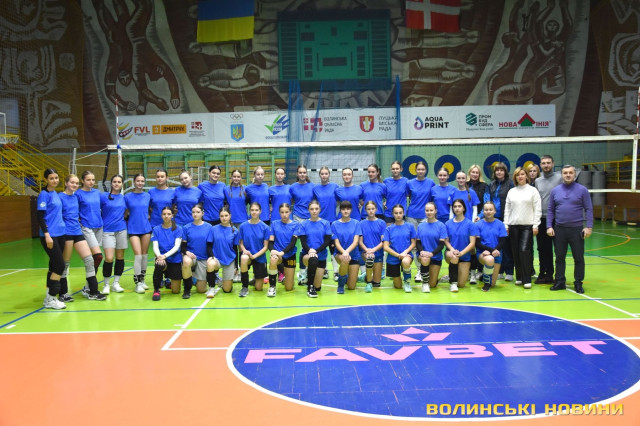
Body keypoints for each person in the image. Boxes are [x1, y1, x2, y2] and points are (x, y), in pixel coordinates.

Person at [547, 165, 593, 294]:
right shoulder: (555, 191)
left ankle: (578, 283)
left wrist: (589, 227)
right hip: (559, 229)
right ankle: (560, 281)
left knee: (578, 258)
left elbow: (589, 208)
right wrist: (549, 226)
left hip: (576, 230)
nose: (568, 175)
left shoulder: (582, 190)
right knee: (559, 258)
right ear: (562, 175)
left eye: (570, 173)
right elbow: (550, 210)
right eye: (565, 173)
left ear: (574, 174)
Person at [59, 174, 106, 301]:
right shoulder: (60, 197)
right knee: (65, 263)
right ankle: (63, 293)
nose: (74, 185)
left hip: (77, 231)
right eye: (72, 182)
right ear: (66, 183)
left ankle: (93, 292)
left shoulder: (75, 197)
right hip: (67, 233)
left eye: (76, 183)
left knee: (90, 260)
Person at [503, 167, 541, 289]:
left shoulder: (533, 191)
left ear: (526, 176)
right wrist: (506, 224)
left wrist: (535, 225)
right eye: (518, 175)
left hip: (527, 226)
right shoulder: (511, 191)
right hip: (513, 226)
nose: (520, 176)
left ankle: (527, 278)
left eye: (522, 174)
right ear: (515, 177)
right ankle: (519, 277)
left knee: (524, 250)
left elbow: (537, 209)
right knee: (515, 252)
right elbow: (507, 210)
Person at [37, 169, 68, 309]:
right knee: (60, 266)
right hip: (50, 235)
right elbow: (40, 217)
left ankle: (48, 297)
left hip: (61, 233)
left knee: (54, 265)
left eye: (56, 178)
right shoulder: (44, 194)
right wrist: (47, 234)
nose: (55, 180)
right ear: (45, 180)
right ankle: (51, 298)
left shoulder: (55, 193)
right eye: (51, 178)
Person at [534, 155, 562, 284]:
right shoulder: (537, 181)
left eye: (548, 163)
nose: (546, 165)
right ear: (540, 165)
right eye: (543, 163)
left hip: (557, 219)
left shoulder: (560, 178)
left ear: (553, 164)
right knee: (543, 249)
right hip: (542, 219)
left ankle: (559, 276)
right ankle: (545, 273)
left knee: (558, 249)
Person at [75, 170, 104, 294]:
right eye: (88, 180)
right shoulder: (78, 194)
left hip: (99, 226)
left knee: (94, 258)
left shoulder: (97, 192)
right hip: (86, 227)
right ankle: (90, 286)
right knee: (98, 256)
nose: (91, 182)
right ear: (82, 181)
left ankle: (88, 286)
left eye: (93, 180)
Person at [485, 162, 515, 281]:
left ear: (505, 172)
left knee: (507, 246)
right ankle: (500, 271)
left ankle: (509, 271)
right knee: (497, 245)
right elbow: (487, 201)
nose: (499, 172)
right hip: (493, 219)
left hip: (505, 218)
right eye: (497, 170)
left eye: (501, 170)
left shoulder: (510, 184)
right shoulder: (491, 184)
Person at [406, 161, 435, 283]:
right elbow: (407, 197)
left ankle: (425, 268)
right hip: (412, 215)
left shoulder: (431, 182)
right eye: (419, 169)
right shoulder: (410, 183)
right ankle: (419, 270)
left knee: (423, 243)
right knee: (414, 244)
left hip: (425, 216)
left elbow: (433, 199)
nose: (421, 171)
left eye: (423, 169)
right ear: (415, 170)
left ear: (426, 170)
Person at [181, 204, 216, 298]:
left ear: (202, 213)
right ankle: (187, 289)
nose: (195, 214)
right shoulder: (186, 227)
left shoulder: (209, 227)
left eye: (198, 212)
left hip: (203, 259)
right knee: (186, 261)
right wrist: (186, 252)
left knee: (201, 290)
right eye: (193, 212)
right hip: (191, 257)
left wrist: (211, 257)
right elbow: (183, 246)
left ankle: (194, 278)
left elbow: (210, 245)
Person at [298, 200, 332, 298]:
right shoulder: (304, 224)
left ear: (319, 209)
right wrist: (310, 251)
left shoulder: (325, 223)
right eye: (312, 209)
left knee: (318, 287)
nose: (314, 211)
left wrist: (316, 251)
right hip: (307, 255)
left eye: (316, 209)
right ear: (308, 210)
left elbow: (327, 242)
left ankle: (310, 279)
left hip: (321, 256)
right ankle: (310, 287)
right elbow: (303, 242)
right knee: (313, 259)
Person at [335, 167, 364, 281]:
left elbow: (362, 201)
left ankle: (362, 271)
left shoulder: (359, 189)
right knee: (341, 245)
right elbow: (337, 203)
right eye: (344, 174)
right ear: (342, 176)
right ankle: (338, 272)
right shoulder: (338, 190)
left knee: (357, 245)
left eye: (349, 174)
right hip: (342, 221)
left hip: (356, 220)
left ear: (352, 176)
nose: (347, 176)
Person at [101, 174, 128, 293]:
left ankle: (116, 283)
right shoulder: (103, 196)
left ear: (122, 184)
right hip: (107, 231)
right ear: (111, 183)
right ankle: (106, 284)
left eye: (119, 182)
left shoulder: (124, 198)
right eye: (114, 181)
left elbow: (127, 212)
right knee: (109, 258)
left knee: (120, 257)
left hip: (121, 230)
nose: (117, 184)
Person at [125, 173, 152, 291]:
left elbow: (150, 209)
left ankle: (143, 279)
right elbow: (124, 212)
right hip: (133, 228)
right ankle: (138, 283)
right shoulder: (127, 197)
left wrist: (148, 215)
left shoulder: (147, 196)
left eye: (142, 181)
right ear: (134, 182)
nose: (140, 183)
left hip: (146, 228)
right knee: (138, 255)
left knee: (145, 255)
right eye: (138, 181)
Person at [149, 168, 175, 289]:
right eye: (158, 176)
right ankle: (159, 277)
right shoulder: (151, 192)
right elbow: (149, 207)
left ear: (167, 178)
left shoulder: (172, 192)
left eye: (162, 176)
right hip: (155, 224)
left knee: (169, 248)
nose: (160, 179)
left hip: (169, 226)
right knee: (158, 250)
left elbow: (174, 207)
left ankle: (168, 277)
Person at [444, 199, 478, 292]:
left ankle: (451, 276)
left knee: (462, 284)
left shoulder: (470, 224)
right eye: (455, 207)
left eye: (459, 206)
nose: (457, 208)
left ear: (464, 208)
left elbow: (472, 243)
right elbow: (446, 241)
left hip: (464, 255)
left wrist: (461, 253)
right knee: (454, 257)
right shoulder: (448, 224)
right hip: (451, 253)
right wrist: (452, 250)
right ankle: (453, 283)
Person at [150, 207, 183, 301]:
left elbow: (177, 246)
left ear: (172, 215)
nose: (166, 216)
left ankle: (168, 282)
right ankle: (156, 290)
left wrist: (164, 256)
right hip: (162, 259)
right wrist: (159, 257)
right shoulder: (156, 229)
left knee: (176, 291)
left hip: (174, 259)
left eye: (168, 214)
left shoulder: (178, 229)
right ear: (161, 215)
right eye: (164, 214)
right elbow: (155, 246)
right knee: (159, 264)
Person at [290, 165, 315, 285]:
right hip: (298, 218)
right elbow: (289, 201)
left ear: (306, 173)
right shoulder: (293, 187)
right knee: (301, 246)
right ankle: (301, 272)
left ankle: (311, 269)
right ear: (297, 174)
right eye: (300, 172)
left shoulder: (312, 186)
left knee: (309, 244)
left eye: (304, 172)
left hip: (310, 218)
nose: (302, 174)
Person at [238, 203, 270, 297]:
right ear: (249, 211)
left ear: (260, 211)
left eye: (256, 210)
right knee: (243, 258)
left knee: (259, 288)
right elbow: (241, 244)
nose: (254, 212)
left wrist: (254, 256)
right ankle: (244, 287)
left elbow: (266, 247)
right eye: (252, 210)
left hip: (259, 257)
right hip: (247, 255)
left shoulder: (265, 227)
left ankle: (255, 279)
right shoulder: (243, 226)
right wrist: (245, 251)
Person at [383, 205, 416, 293]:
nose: (398, 215)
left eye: (400, 213)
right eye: (396, 213)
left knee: (405, 262)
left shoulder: (410, 226)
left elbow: (413, 243)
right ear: (392, 214)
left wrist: (405, 252)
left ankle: (407, 282)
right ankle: (397, 280)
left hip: (406, 255)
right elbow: (385, 247)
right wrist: (398, 255)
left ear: (403, 213)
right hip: (393, 257)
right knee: (398, 286)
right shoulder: (389, 229)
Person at [475, 201, 507, 292]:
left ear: (494, 211)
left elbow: (503, 241)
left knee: (493, 284)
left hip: (497, 253)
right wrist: (490, 251)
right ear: (483, 211)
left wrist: (495, 251)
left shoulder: (500, 224)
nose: (488, 211)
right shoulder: (478, 224)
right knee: (489, 259)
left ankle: (484, 276)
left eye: (490, 209)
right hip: (483, 253)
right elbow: (477, 243)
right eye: (486, 210)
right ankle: (486, 284)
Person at [268, 203, 299, 295]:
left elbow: (293, 243)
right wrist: (272, 250)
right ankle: (272, 287)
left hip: (290, 254)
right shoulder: (274, 224)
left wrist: (282, 252)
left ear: (290, 212)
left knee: (289, 288)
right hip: (278, 254)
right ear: (279, 213)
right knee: (273, 259)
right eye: (282, 212)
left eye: (286, 212)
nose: (284, 214)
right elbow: (271, 242)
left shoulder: (295, 224)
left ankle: (287, 278)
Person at [416, 202, 447, 293]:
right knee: (425, 259)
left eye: (431, 210)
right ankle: (425, 283)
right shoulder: (421, 226)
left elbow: (441, 244)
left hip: (435, 256)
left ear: (435, 211)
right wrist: (421, 251)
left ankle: (436, 278)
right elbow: (418, 242)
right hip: (423, 255)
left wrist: (432, 253)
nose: (429, 212)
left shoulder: (441, 226)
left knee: (432, 284)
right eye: (427, 210)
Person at [332, 201, 362, 294]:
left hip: (354, 255)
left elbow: (356, 241)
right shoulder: (334, 224)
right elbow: (336, 243)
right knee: (345, 260)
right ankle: (341, 284)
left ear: (351, 210)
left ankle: (347, 275)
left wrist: (347, 251)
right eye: (343, 209)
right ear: (340, 210)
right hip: (340, 254)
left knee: (351, 287)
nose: (346, 211)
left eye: (348, 209)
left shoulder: (356, 223)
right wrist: (344, 252)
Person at [268, 167, 291, 283]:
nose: (280, 175)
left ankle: (287, 269)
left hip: (288, 221)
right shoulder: (270, 189)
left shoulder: (290, 188)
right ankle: (280, 272)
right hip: (275, 220)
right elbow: (266, 202)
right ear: (275, 175)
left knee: (286, 244)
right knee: (276, 245)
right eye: (278, 173)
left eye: (282, 173)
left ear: (284, 175)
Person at [210, 206, 240, 294]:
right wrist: (211, 257)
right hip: (216, 259)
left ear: (230, 216)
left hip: (229, 260)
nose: (224, 218)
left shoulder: (234, 231)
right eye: (222, 216)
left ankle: (222, 282)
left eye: (226, 215)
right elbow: (209, 245)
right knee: (210, 264)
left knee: (227, 290)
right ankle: (212, 286)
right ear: (219, 217)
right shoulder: (213, 229)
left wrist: (236, 266)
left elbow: (235, 249)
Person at [467, 164, 488, 283]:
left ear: (479, 174)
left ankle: (480, 270)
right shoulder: (465, 185)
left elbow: (486, 203)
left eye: (477, 172)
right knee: (469, 247)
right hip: (467, 222)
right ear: (469, 173)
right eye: (473, 172)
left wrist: (479, 216)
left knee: (478, 245)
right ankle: (469, 271)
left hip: (479, 220)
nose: (474, 174)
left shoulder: (484, 186)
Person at [359, 201, 386, 291]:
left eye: (373, 209)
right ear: (365, 210)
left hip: (378, 252)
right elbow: (360, 242)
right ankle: (368, 282)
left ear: (376, 209)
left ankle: (365, 276)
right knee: (369, 258)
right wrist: (367, 250)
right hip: (365, 252)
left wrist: (373, 249)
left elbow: (383, 241)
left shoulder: (381, 223)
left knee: (377, 284)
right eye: (368, 209)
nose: (371, 211)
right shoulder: (361, 223)